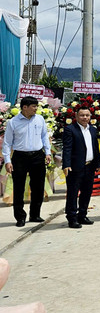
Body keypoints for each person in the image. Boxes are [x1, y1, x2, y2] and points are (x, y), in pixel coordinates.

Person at [2, 96, 52, 227]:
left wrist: (47, 152)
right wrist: (7, 161)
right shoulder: (13, 122)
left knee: (38, 187)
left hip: (37, 156)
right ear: (25, 107)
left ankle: (35, 214)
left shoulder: (40, 119)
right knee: (19, 187)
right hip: (20, 157)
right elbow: (7, 143)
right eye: (33, 106)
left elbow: (44, 137)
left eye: (36, 106)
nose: (36, 108)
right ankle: (20, 217)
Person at [61, 106, 100, 229]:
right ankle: (72, 218)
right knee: (73, 193)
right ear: (76, 116)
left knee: (87, 192)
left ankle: (82, 215)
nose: (85, 118)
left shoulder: (93, 130)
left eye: (87, 115)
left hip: (90, 166)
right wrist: (66, 165)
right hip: (75, 167)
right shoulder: (70, 130)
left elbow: (95, 148)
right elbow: (67, 148)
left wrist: (98, 164)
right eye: (82, 115)